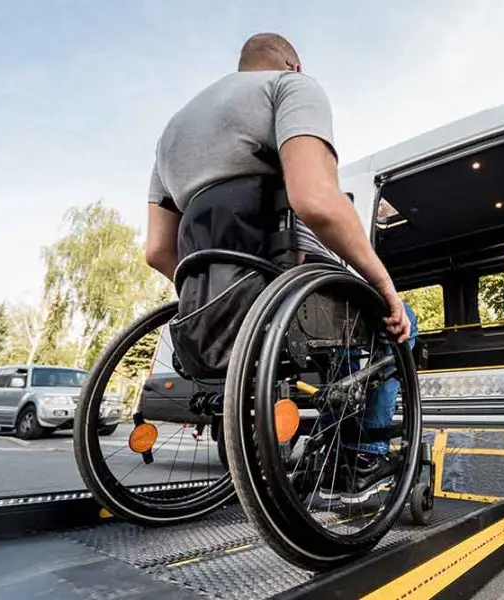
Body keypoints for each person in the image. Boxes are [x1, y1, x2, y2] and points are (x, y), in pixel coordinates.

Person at [143, 32, 415, 501]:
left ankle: (330, 450)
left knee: (344, 347)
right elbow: (315, 200)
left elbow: (157, 250)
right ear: (293, 63)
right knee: (400, 327)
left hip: (217, 297)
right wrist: (383, 283)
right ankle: (359, 456)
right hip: (288, 282)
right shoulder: (290, 88)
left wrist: (216, 291)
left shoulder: (173, 131)